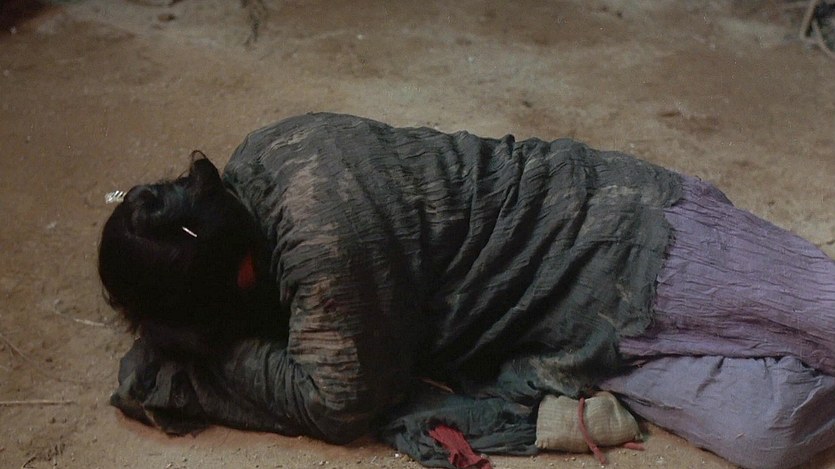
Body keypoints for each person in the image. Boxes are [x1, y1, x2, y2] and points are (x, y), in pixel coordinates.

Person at [99, 113, 834, 469]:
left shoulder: (322, 235)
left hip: (633, 235)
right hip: (573, 338)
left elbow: (335, 403)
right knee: (767, 435)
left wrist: (203, 353)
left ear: (240, 274)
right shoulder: (252, 183)